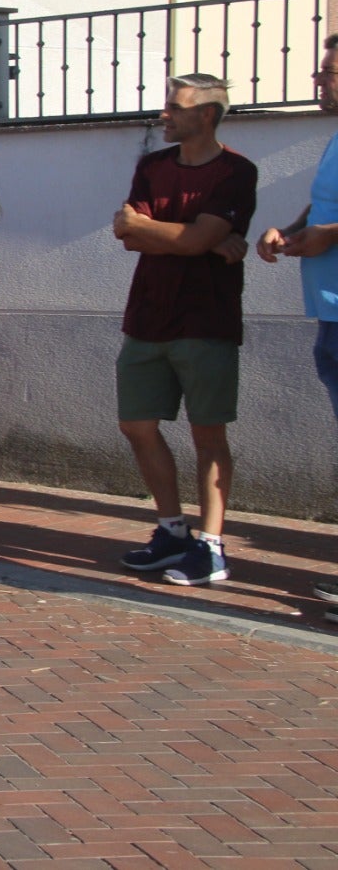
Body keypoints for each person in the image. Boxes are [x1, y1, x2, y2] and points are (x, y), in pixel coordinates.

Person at [107, 74, 257, 585]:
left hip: (205, 320)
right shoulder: (152, 166)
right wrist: (200, 238)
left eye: (175, 107)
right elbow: (127, 235)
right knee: (137, 425)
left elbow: (169, 236)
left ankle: (211, 547)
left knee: (208, 435)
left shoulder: (237, 172)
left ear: (207, 115)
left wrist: (188, 238)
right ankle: (172, 531)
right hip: (147, 317)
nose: (164, 115)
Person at [259, 35, 338, 620]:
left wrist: (327, 237)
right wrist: (289, 230)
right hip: (329, 312)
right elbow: (323, 208)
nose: (319, 81)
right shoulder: (334, 139)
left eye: (329, 72)